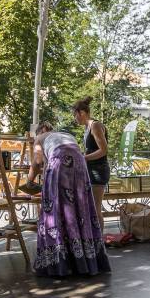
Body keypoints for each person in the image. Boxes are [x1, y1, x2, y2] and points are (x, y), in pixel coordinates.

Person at [27, 121, 111, 277]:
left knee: (54, 209)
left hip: (60, 161)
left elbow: (37, 163)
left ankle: (58, 263)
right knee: (79, 208)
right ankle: (84, 259)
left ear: (38, 133)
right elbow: (53, 162)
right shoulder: (65, 135)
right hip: (80, 163)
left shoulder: (39, 138)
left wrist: (29, 182)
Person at [72, 97, 110, 226]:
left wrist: (83, 158)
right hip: (90, 170)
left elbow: (103, 150)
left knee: (95, 209)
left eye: (75, 115)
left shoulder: (95, 125)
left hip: (98, 171)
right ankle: (93, 236)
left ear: (81, 113)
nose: (75, 119)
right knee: (90, 208)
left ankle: (99, 238)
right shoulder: (87, 127)